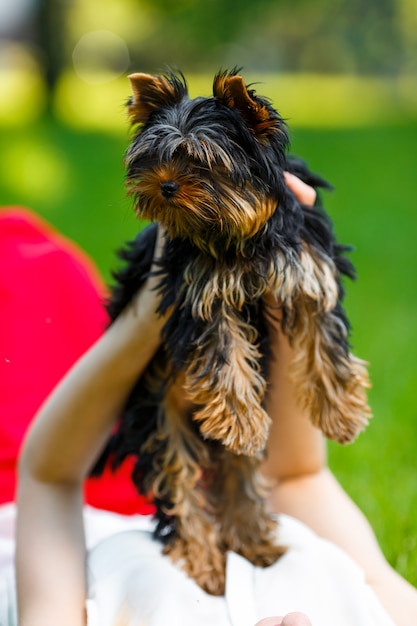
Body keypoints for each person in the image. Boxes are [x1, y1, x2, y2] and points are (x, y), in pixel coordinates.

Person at [5, 175, 417, 625]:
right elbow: (296, 478)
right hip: (218, 483)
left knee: (32, 275)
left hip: (62, 496)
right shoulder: (365, 607)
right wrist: (277, 262)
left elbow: (48, 480)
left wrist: (152, 309)